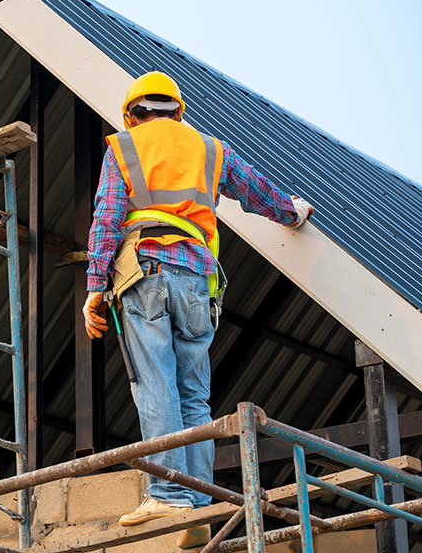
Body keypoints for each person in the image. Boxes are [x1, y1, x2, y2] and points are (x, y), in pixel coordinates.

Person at [82, 71, 313, 549]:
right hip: (197, 280)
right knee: (193, 394)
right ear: (179, 112)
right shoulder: (210, 149)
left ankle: (169, 493)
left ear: (131, 114)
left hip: (144, 272)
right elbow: (256, 192)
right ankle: (199, 501)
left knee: (155, 383)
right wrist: (293, 212)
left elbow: (107, 216)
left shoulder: (123, 147)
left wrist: (94, 288)